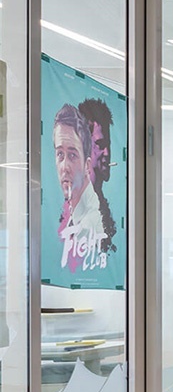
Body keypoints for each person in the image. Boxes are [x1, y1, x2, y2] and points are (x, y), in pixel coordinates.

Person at [53, 104, 106, 271]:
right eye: (60, 154)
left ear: (87, 165)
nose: (64, 167)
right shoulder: (75, 215)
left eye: (72, 155)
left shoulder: (89, 226)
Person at [78, 98, 117, 253]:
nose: (107, 153)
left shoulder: (101, 205)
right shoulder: (77, 207)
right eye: (100, 145)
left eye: (108, 145)